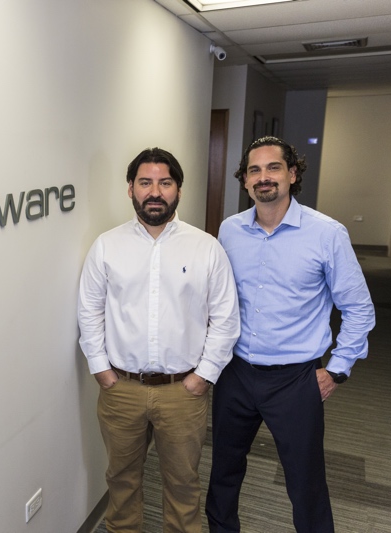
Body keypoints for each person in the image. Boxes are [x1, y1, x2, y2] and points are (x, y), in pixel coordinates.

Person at [205, 136, 376, 533]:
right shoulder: (229, 230)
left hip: (295, 380)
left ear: (292, 174)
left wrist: (337, 370)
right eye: (254, 170)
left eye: (273, 167)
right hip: (235, 373)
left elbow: (359, 308)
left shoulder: (326, 234)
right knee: (223, 473)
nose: (263, 177)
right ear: (245, 180)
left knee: (305, 482)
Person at [78, 147, 240, 532]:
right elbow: (89, 309)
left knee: (183, 484)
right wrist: (100, 368)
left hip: (182, 391)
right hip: (122, 388)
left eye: (165, 183)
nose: (155, 192)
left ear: (179, 190)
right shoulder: (107, 246)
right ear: (130, 189)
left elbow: (226, 318)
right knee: (121, 480)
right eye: (145, 183)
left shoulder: (206, 247)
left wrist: (204, 375)